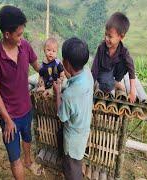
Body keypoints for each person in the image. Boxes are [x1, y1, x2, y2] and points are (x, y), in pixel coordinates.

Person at [0, 5, 42, 179]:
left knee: (27, 138)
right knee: (15, 160)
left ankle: (29, 161)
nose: (22, 39)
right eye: (19, 35)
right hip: (10, 117)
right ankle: (22, 164)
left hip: (26, 109)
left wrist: (55, 70)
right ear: (7, 34)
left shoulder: (25, 47)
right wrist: (7, 120)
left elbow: (38, 67)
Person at [53, 37, 93, 180]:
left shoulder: (69, 94)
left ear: (65, 63)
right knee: (78, 161)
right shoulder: (88, 74)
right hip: (83, 133)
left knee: (72, 170)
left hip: (72, 141)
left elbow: (61, 116)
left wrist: (58, 93)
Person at [91, 12, 136, 103]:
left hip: (115, 71)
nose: (106, 38)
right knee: (105, 85)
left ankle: (116, 82)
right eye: (106, 34)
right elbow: (95, 68)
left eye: (110, 36)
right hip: (103, 72)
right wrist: (90, 86)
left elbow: (131, 69)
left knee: (127, 62)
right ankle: (114, 84)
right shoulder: (102, 48)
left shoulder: (123, 50)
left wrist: (132, 90)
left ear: (121, 37)